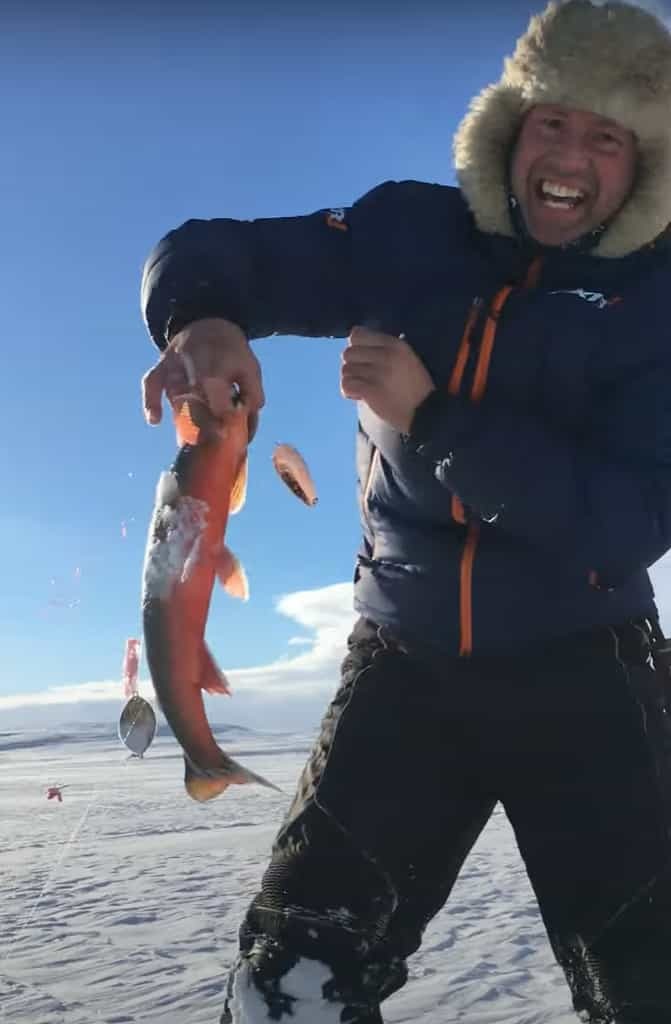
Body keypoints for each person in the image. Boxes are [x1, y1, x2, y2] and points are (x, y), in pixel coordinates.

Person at [139, 1, 671, 1020]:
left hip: (587, 667)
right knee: (289, 988)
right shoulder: (409, 233)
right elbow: (214, 249)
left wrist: (431, 417)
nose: (570, 153)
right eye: (550, 121)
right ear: (508, 132)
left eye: (605, 135)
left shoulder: (656, 300)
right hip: (405, 667)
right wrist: (201, 317)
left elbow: (623, 519)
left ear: (638, 163)